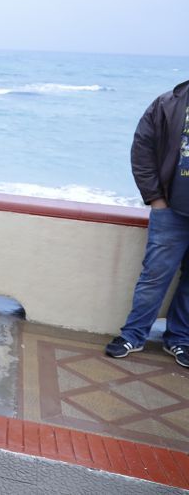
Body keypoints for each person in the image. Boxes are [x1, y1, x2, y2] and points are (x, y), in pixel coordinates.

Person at [105, 79, 189, 368]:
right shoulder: (168, 103)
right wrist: (155, 199)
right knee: (154, 277)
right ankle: (134, 334)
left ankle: (180, 339)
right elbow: (142, 149)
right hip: (171, 212)